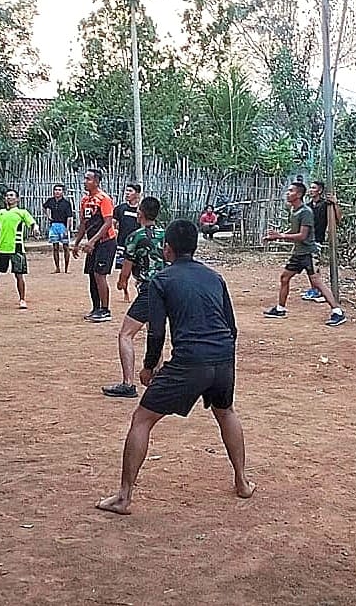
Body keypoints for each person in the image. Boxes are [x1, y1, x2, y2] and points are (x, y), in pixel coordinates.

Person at [95, 219, 255, 515]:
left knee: (142, 419)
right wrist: (220, 357)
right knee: (226, 412)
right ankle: (242, 482)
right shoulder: (215, 277)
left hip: (190, 360)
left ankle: (123, 498)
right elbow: (231, 328)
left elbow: (156, 332)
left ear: (167, 248)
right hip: (223, 357)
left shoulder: (161, 280)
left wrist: (148, 368)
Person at [102, 197, 166, 399]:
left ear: (140, 213)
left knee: (126, 334)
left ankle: (128, 383)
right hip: (167, 289)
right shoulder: (165, 235)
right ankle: (157, 377)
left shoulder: (136, 237)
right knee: (155, 331)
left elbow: (127, 267)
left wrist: (122, 282)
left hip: (149, 289)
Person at [263, 182, 346, 326]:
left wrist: (280, 235)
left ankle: (337, 312)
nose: (287, 193)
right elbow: (294, 231)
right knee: (284, 278)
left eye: (291, 191)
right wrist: (275, 237)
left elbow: (302, 235)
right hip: (299, 252)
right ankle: (280, 309)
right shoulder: (294, 210)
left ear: (299, 194)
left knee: (317, 282)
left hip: (309, 252)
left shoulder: (306, 212)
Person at [0, 189, 40, 309]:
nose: (9, 197)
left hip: (17, 247)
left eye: (11, 195)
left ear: (17, 199)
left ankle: (22, 299)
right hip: (2, 248)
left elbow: (33, 223)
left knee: (19, 275)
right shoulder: (0, 213)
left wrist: (35, 229)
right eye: (7, 196)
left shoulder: (22, 212)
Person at [72, 169, 117, 322]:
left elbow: (108, 223)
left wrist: (92, 241)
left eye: (88, 179)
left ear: (97, 182)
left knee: (99, 274)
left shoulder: (104, 199)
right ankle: (96, 307)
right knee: (92, 274)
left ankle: (105, 310)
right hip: (93, 243)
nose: (85, 182)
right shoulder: (85, 200)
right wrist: (77, 242)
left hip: (106, 242)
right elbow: (84, 223)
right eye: (85, 178)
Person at [301, 180, 342, 303]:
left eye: (314, 188)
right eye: (310, 188)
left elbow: (338, 219)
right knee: (309, 266)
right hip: (306, 239)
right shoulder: (308, 206)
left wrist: (335, 203)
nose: (311, 190)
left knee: (314, 266)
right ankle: (314, 289)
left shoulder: (326, 205)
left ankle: (318, 290)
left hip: (317, 239)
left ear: (320, 191)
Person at [113, 183, 141, 302]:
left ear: (137, 194)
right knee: (125, 271)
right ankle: (125, 290)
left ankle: (141, 293)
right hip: (123, 244)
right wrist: (114, 232)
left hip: (138, 245)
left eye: (130, 191)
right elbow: (113, 223)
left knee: (139, 271)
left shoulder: (141, 210)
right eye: (126, 191)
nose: (127, 193)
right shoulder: (120, 209)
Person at [43, 183, 74, 274]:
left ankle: (66, 268)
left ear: (63, 192)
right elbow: (44, 207)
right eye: (56, 190)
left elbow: (69, 217)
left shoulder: (66, 203)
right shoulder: (50, 201)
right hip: (54, 226)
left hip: (63, 226)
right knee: (55, 247)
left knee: (66, 247)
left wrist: (67, 229)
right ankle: (57, 268)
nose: (57, 192)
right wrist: (48, 216)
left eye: (59, 190)